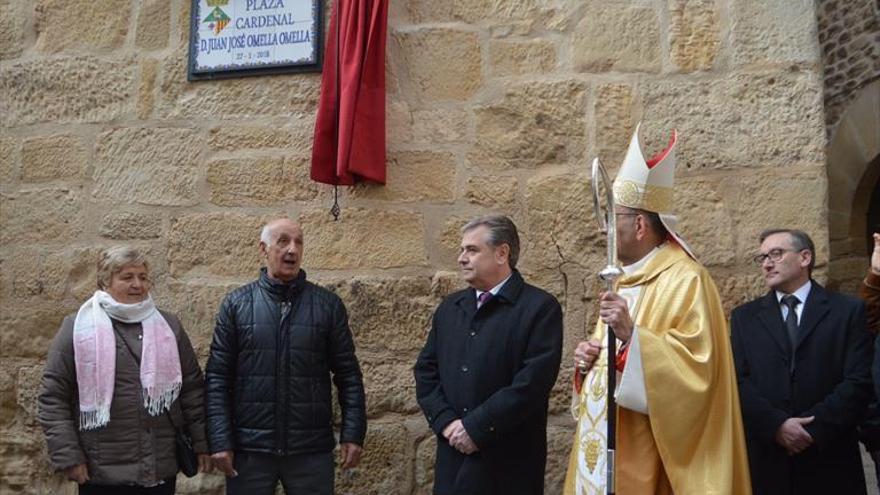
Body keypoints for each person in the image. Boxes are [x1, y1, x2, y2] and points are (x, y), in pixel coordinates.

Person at [565, 123, 751, 494]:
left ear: (639, 225)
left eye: (612, 219)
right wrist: (588, 364)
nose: (604, 230)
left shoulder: (686, 279)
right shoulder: (619, 280)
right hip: (604, 443)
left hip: (654, 449)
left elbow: (699, 372)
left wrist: (633, 336)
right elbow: (610, 361)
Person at [205, 218, 366, 495]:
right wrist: (220, 440)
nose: (292, 249)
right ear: (263, 249)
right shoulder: (236, 305)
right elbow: (218, 378)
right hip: (250, 451)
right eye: (283, 241)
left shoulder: (327, 306)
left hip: (310, 452)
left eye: (298, 242)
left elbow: (348, 375)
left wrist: (353, 433)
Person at [38, 246, 210, 494]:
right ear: (105, 282)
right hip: (101, 473)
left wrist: (201, 444)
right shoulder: (77, 327)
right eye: (127, 277)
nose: (137, 285)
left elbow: (192, 390)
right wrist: (69, 457)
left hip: (159, 468)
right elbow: (52, 397)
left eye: (142, 277)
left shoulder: (169, 326)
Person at [414, 215, 563, 495]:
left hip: (508, 466)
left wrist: (476, 428)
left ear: (501, 253)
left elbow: (532, 384)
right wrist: (447, 423)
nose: (461, 258)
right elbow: (426, 371)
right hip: (453, 459)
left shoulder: (539, 308)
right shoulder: (450, 308)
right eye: (462, 250)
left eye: (472, 250)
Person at [731, 229, 872, 495]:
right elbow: (737, 381)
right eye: (761, 258)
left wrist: (813, 429)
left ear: (805, 257)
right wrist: (777, 426)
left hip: (830, 459)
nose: (766, 263)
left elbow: (858, 381)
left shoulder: (847, 311)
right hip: (769, 462)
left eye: (776, 254)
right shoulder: (744, 318)